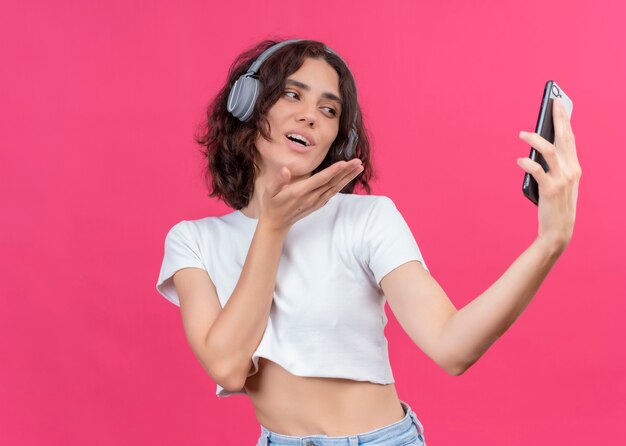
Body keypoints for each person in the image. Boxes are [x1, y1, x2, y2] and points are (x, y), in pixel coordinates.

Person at [156, 38, 581, 446]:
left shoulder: (368, 219)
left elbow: (453, 348)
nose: (311, 116)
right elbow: (229, 368)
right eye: (292, 95)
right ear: (246, 103)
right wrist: (272, 227)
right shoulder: (194, 241)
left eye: (329, 109)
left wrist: (549, 243)